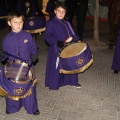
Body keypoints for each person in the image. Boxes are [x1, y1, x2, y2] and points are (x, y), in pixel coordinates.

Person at [0, 11, 40, 115]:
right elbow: (4, 56)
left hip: (27, 67)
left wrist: (34, 54)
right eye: (15, 22)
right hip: (12, 68)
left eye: (21, 22)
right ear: (9, 23)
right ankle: (12, 107)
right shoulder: (6, 39)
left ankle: (32, 108)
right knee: (12, 87)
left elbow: (33, 47)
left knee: (30, 87)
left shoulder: (28, 35)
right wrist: (2, 55)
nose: (18, 25)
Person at [44, 2, 81, 90]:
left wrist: (78, 38)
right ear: (55, 11)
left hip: (69, 47)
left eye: (63, 12)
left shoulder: (67, 22)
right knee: (57, 67)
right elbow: (47, 36)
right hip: (57, 48)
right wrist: (57, 42)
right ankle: (55, 83)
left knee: (71, 64)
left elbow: (73, 34)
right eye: (59, 11)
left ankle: (72, 82)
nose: (61, 13)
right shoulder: (51, 23)